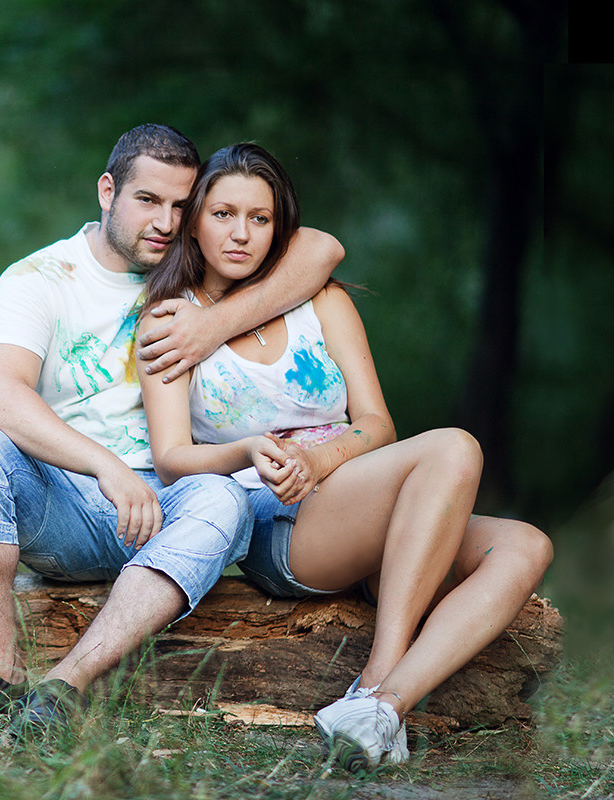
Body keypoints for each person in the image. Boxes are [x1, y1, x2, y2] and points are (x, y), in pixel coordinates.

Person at [136, 142, 553, 771]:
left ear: (279, 227)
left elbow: (377, 423)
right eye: (223, 214)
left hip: (359, 499)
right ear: (194, 221)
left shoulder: (322, 301)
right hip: (279, 520)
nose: (241, 234)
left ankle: (382, 705)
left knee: (525, 546)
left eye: (259, 218)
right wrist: (248, 451)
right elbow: (171, 459)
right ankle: (377, 685)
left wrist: (323, 459)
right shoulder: (171, 321)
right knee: (454, 447)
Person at [0, 125, 344, 737]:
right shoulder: (41, 277)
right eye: (148, 200)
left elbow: (323, 248)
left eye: (181, 206)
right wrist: (106, 466)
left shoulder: (201, 266)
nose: (165, 223)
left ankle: (63, 689)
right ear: (107, 191)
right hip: (61, 502)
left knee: (225, 500)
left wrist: (214, 322)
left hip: (171, 504)